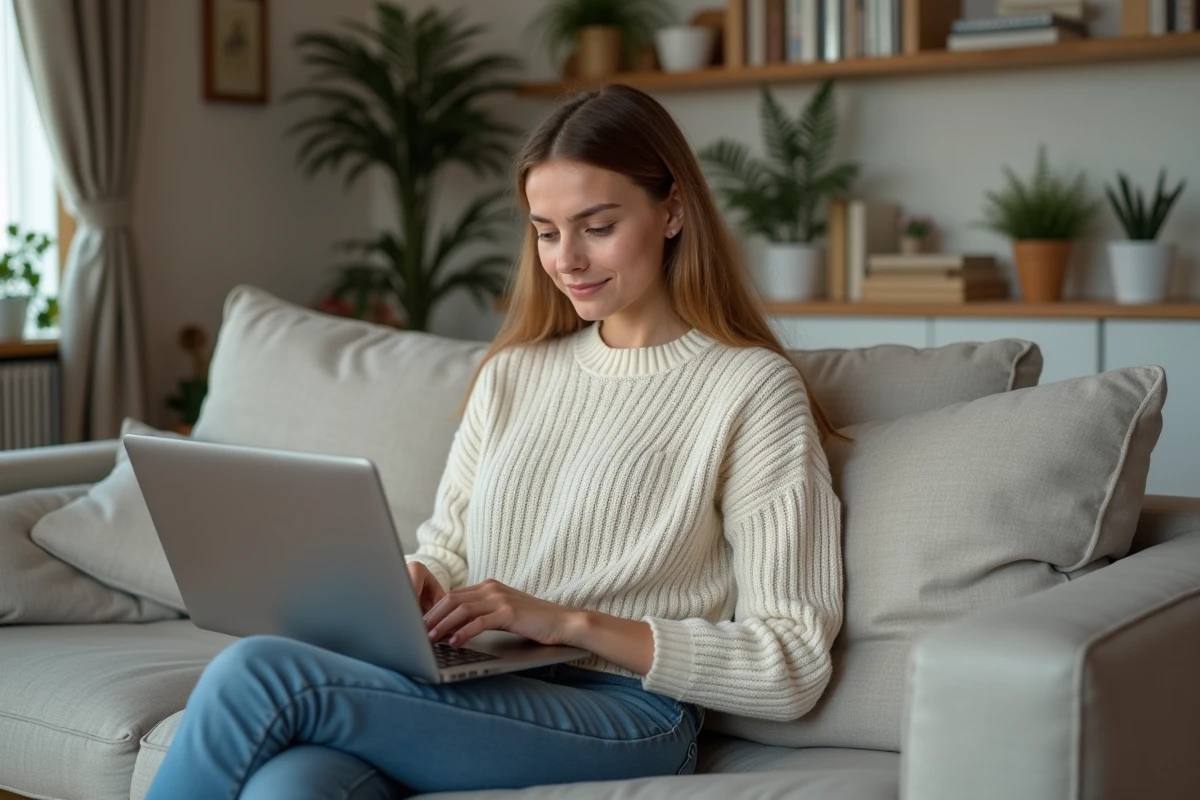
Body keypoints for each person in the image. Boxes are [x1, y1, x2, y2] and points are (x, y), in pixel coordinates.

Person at [145, 83, 846, 800]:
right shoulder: (512, 374)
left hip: (629, 714)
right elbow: (448, 546)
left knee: (258, 671)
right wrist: (416, 581)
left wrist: (569, 622)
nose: (567, 258)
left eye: (597, 226)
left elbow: (789, 661)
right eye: (546, 231)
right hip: (484, 681)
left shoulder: (751, 389)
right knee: (292, 786)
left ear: (672, 211)